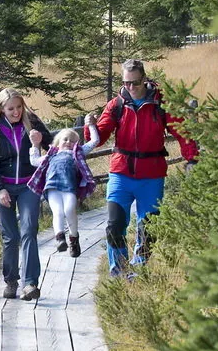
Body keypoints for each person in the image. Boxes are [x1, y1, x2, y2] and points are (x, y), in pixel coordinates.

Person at [84, 59, 198, 277]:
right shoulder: (117, 104)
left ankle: (138, 269)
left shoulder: (161, 102)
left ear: (144, 79)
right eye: (126, 83)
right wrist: (91, 127)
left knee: (148, 229)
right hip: (121, 172)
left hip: (151, 175)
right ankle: (120, 272)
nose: (130, 88)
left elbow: (181, 131)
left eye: (135, 83)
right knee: (115, 224)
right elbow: (99, 139)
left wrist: (192, 159)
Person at [0, 88, 52, 300]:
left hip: (29, 186)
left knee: (29, 229)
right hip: (4, 188)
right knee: (10, 237)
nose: (16, 112)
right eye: (11, 108)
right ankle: (11, 281)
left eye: (19, 107)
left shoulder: (32, 121)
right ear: (1, 108)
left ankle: (30, 284)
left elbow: (51, 146)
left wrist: (40, 141)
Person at [27, 128, 97, 257]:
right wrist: (35, 144)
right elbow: (34, 161)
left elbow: (94, 141)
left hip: (69, 187)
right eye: (65, 139)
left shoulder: (77, 153)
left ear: (77, 143)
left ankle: (74, 238)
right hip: (52, 187)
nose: (68, 142)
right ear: (58, 142)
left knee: (69, 210)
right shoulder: (51, 155)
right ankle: (60, 238)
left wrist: (91, 125)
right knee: (58, 212)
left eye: (72, 140)